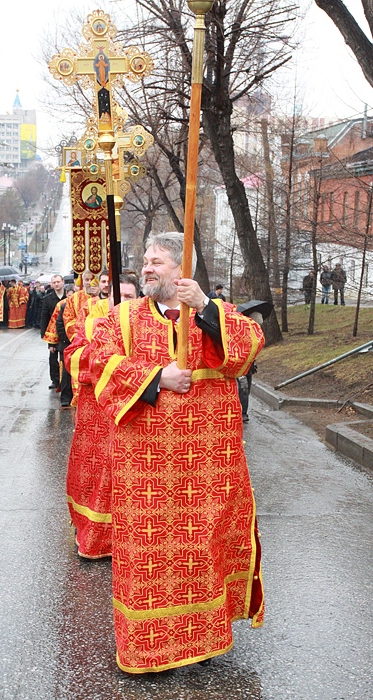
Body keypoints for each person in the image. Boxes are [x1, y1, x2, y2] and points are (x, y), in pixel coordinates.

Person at [89, 232, 265, 673]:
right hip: (145, 474)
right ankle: (149, 651)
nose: (147, 268)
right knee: (148, 562)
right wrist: (157, 378)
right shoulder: (123, 317)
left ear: (182, 269)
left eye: (158, 261)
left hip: (206, 471)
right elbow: (99, 362)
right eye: (146, 260)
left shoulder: (215, 312)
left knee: (202, 553)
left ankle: (203, 641)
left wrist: (204, 305)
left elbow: (247, 351)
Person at [64, 274, 140, 558]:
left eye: (129, 297)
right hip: (96, 417)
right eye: (117, 296)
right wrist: (106, 362)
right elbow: (72, 358)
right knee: (96, 479)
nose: (121, 302)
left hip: (132, 416)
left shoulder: (146, 327)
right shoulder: (91, 325)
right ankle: (97, 536)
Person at [40, 274, 66, 390]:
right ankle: (55, 380)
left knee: (65, 357)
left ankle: (65, 380)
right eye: (54, 282)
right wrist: (45, 336)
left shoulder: (69, 296)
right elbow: (44, 317)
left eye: (58, 282)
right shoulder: (48, 299)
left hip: (66, 332)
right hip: (53, 332)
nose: (56, 284)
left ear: (62, 282)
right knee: (53, 357)